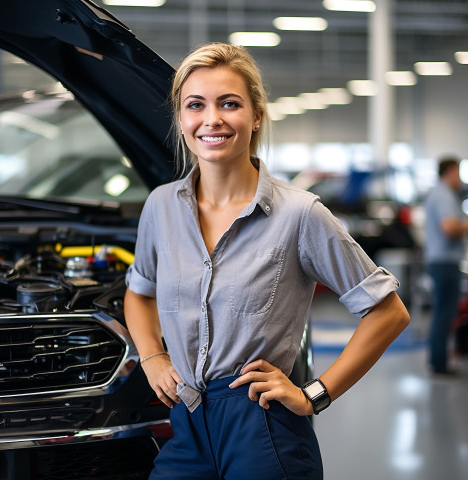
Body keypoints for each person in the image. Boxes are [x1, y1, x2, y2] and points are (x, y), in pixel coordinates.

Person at [124, 42, 410, 480]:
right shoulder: (161, 207)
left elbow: (388, 312)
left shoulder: (300, 214)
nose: (212, 119)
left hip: (264, 426)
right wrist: (152, 357)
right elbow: (138, 292)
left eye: (230, 103)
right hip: (186, 422)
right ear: (182, 119)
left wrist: (315, 394)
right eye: (195, 105)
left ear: (256, 115)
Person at [424, 156, 468, 375]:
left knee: (443, 312)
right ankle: (439, 364)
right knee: (445, 313)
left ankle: (438, 361)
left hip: (442, 261)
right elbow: (449, 228)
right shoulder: (443, 195)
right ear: (450, 171)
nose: (460, 179)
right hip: (445, 262)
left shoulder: (443, 194)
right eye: (458, 173)